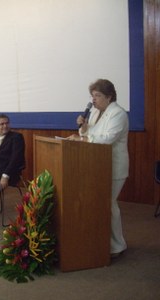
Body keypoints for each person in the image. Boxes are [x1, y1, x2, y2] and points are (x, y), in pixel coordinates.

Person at [68, 79, 128, 258]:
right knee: (102, 204)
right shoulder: (95, 113)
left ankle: (117, 246)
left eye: (97, 96)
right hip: (96, 165)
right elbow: (89, 134)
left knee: (108, 204)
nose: (93, 100)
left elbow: (107, 138)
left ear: (109, 96)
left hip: (114, 166)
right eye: (92, 96)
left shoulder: (118, 113)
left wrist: (84, 139)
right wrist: (84, 127)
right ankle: (103, 243)